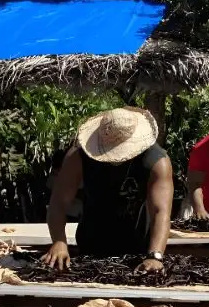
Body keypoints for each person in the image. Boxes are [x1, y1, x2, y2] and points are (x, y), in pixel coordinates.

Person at [42, 107, 173, 271]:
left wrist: (155, 256)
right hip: (91, 246)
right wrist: (59, 242)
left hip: (139, 249)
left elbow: (160, 212)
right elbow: (58, 203)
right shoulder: (79, 157)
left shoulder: (156, 161)